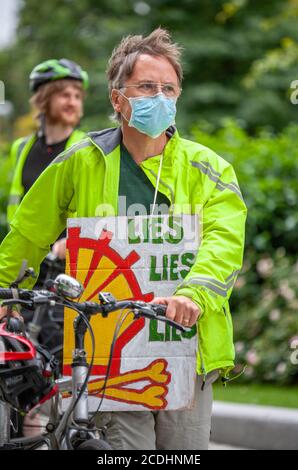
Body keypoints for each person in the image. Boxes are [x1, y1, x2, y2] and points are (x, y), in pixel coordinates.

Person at [0, 29, 247, 450]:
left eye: (169, 88)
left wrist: (193, 296)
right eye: (147, 87)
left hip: (188, 349)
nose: (160, 97)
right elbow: (29, 231)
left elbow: (224, 243)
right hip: (107, 348)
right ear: (118, 99)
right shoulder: (81, 161)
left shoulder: (209, 168)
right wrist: (5, 292)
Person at [8, 58, 88, 260]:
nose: (73, 102)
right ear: (44, 99)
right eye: (65, 95)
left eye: (77, 96)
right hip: (26, 263)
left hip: (70, 262)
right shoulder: (20, 148)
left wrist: (73, 240)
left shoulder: (86, 148)